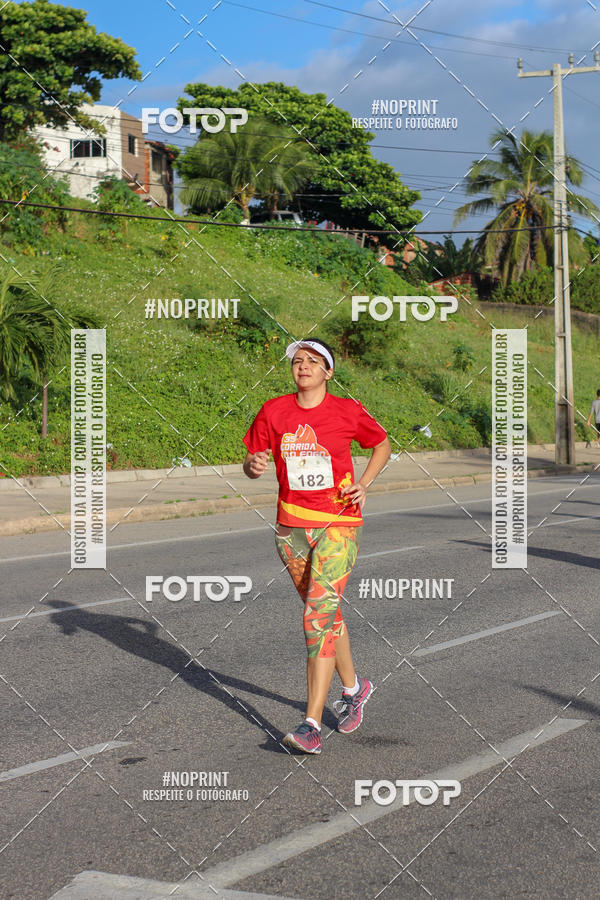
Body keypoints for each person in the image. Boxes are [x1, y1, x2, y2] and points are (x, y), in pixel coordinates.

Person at [242, 338, 391, 754]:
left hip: (338, 523)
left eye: (313, 361)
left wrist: (364, 483)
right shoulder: (274, 410)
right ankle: (355, 688)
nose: (303, 366)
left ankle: (311, 726)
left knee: (316, 618)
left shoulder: (347, 410)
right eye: (298, 360)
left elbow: (381, 443)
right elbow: (255, 460)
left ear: (328, 372)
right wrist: (252, 466)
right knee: (326, 613)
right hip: (290, 528)